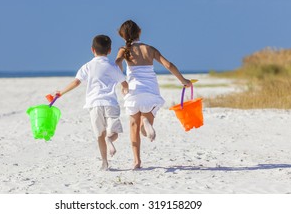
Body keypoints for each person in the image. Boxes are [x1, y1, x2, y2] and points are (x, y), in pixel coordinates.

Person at [116, 20, 192, 169]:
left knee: (133, 126)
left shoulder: (124, 50)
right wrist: (183, 81)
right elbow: (168, 65)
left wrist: (122, 82)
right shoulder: (150, 49)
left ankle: (137, 161)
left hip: (133, 91)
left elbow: (117, 62)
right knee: (145, 128)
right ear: (140, 32)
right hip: (151, 91)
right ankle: (147, 122)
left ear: (123, 35)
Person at [54, 35, 129, 171]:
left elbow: (76, 82)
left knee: (100, 134)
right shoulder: (112, 66)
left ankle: (105, 162)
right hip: (110, 103)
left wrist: (61, 92)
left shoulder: (87, 66)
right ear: (110, 50)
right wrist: (125, 90)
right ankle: (110, 140)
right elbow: (124, 83)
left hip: (94, 104)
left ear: (92, 49)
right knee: (114, 131)